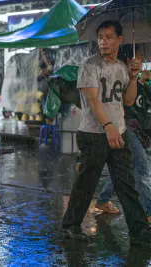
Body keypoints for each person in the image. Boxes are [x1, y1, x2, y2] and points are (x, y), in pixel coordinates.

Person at [61, 20, 151, 244]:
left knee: (126, 183)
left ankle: (139, 230)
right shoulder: (89, 65)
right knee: (86, 183)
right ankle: (71, 226)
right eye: (100, 37)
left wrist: (133, 78)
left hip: (118, 132)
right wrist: (108, 127)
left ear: (120, 39)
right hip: (93, 134)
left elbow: (128, 101)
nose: (103, 41)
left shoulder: (122, 67)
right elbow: (92, 101)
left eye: (109, 37)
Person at [95, 45, 151, 223]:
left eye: (142, 58)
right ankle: (148, 211)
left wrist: (140, 80)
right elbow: (125, 102)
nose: (142, 62)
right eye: (139, 57)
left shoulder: (134, 78)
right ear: (129, 58)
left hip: (135, 129)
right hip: (125, 127)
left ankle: (103, 200)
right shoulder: (119, 75)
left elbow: (137, 101)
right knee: (141, 167)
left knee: (126, 169)